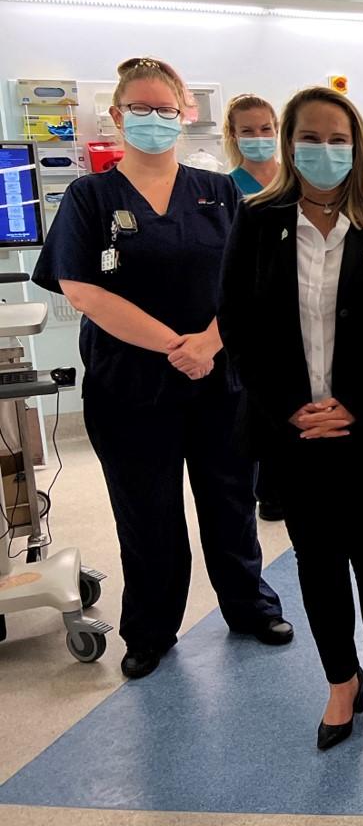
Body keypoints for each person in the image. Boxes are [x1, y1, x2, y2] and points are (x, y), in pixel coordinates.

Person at [30, 57, 290, 681]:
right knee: (147, 514)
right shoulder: (90, 197)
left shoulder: (219, 192)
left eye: (164, 109)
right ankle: (150, 629)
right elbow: (82, 289)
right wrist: (179, 346)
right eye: (140, 109)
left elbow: (255, 280)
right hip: (130, 386)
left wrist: (210, 344)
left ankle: (250, 607)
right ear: (117, 117)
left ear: (184, 115)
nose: (153, 119)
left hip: (219, 380)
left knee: (230, 501)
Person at [219, 85, 363, 753]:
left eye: (338, 139)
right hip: (292, 428)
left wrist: (356, 404)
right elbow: (237, 323)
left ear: (357, 146)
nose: (325, 150)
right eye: (311, 138)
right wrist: (291, 407)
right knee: (316, 560)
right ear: (289, 144)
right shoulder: (258, 219)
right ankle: (342, 680)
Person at [222, 92, 286, 522]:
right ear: (233, 135)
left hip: (304, 309)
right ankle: (269, 491)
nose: (259, 137)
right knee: (263, 405)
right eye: (248, 131)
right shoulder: (227, 189)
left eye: (265, 129)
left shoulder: (297, 180)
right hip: (256, 316)